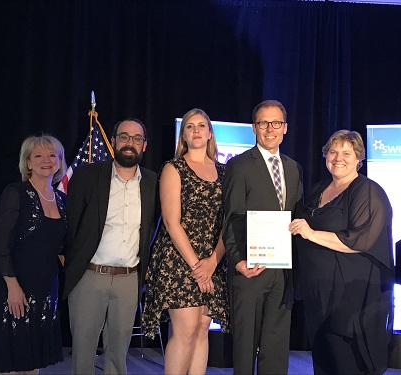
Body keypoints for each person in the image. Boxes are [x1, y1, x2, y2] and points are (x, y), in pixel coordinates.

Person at [289, 129, 394, 375]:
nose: (339, 158)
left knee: (347, 359)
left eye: (347, 153)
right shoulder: (318, 189)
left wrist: (311, 233)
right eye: (333, 152)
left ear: (359, 158)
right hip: (319, 290)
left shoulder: (367, 191)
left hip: (349, 294)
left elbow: (360, 239)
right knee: (325, 359)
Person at [63, 118, 157, 375]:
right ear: (113, 141)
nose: (130, 143)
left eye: (137, 138)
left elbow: (157, 227)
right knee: (83, 353)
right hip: (89, 275)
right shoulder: (87, 175)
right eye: (124, 137)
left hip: (129, 279)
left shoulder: (153, 182)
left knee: (118, 356)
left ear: (144, 145)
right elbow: (71, 224)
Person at [142, 108, 229, 375]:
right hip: (180, 259)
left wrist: (212, 262)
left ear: (210, 133)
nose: (196, 131)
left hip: (212, 260)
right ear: (184, 135)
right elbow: (171, 222)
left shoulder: (225, 173)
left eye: (201, 126)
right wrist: (197, 267)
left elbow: (230, 223)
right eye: (190, 127)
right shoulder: (173, 168)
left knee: (202, 329)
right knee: (186, 330)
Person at [223, 100, 303, 374]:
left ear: (285, 128)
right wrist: (238, 261)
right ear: (254, 128)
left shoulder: (294, 168)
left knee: (276, 347)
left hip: (282, 271)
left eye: (276, 123)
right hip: (250, 269)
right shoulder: (239, 165)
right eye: (263, 123)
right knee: (245, 349)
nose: (270, 128)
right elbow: (231, 216)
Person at [0, 135, 67, 374]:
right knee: (14, 358)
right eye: (38, 156)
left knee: (34, 359)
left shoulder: (62, 199)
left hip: (46, 287)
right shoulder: (15, 193)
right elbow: (0, 245)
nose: (46, 160)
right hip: (16, 286)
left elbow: (61, 246)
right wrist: (12, 286)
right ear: (28, 163)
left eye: (52, 155)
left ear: (60, 162)